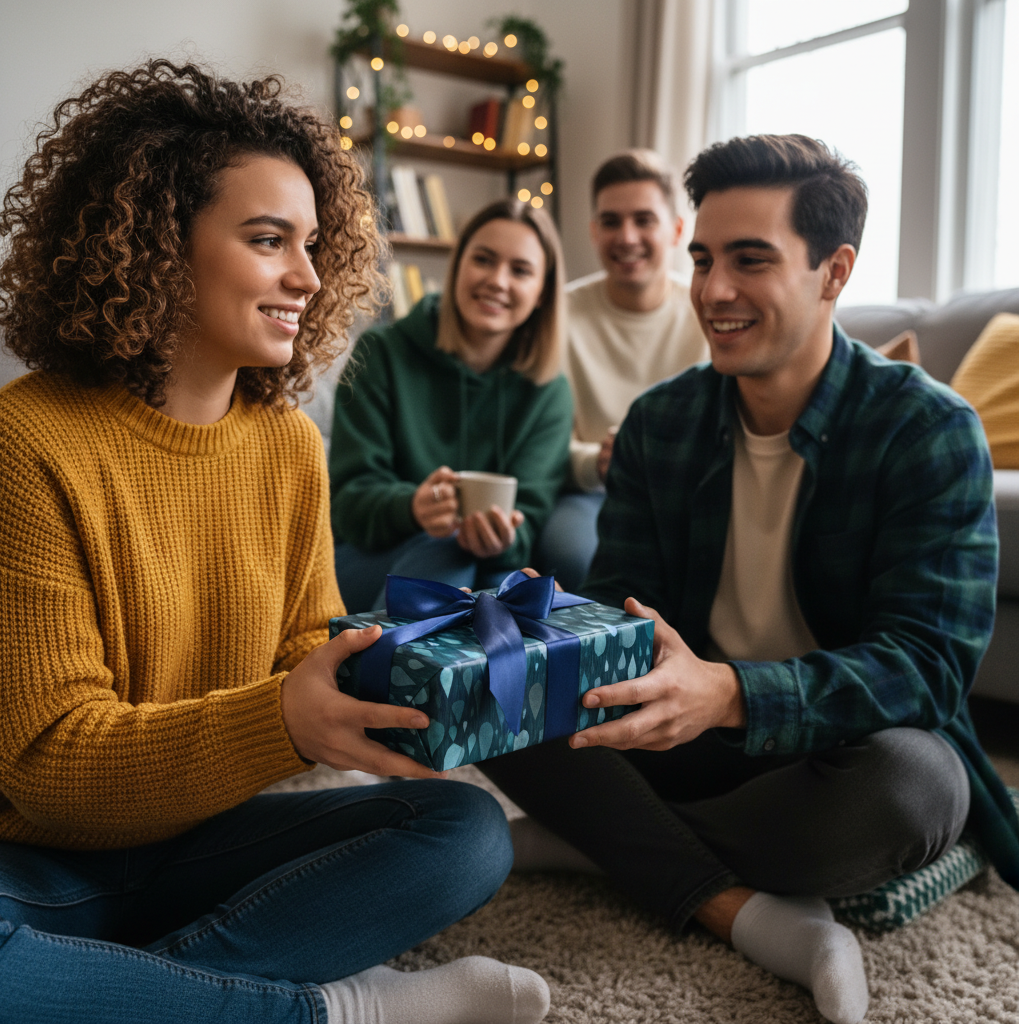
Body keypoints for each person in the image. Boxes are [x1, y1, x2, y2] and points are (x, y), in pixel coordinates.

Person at [0, 59, 551, 1024]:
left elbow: (304, 654)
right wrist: (283, 721)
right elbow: (48, 768)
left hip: (212, 838)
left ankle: (132, 997)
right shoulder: (26, 439)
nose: (308, 275)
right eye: (267, 240)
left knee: (466, 829)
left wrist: (440, 663)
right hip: (45, 858)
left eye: (311, 243)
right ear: (159, 246)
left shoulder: (292, 447)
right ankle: (333, 1011)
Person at [482, 134, 1019, 1024]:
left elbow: (925, 669)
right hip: (683, 737)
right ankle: (748, 906)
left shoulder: (928, 430)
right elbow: (623, 621)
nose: (712, 291)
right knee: (506, 690)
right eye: (702, 259)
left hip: (834, 748)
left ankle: (601, 843)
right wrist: (551, 635)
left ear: (833, 271)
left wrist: (731, 693)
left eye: (750, 260)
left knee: (917, 792)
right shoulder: (661, 424)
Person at [329, 198, 572, 613]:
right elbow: (347, 504)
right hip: (372, 560)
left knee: (516, 592)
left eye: (520, 270)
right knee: (451, 554)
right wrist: (412, 508)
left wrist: (504, 539)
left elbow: (528, 525)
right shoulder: (382, 353)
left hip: (484, 568)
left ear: (541, 294)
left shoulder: (549, 392)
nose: (497, 281)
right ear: (457, 266)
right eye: (483, 259)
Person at [537, 149, 707, 591]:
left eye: (644, 220)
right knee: (573, 554)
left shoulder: (708, 311)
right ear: (594, 231)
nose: (626, 237)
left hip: (687, 492)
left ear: (676, 230)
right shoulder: (558, 313)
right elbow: (542, 439)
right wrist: (598, 463)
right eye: (611, 222)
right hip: (592, 492)